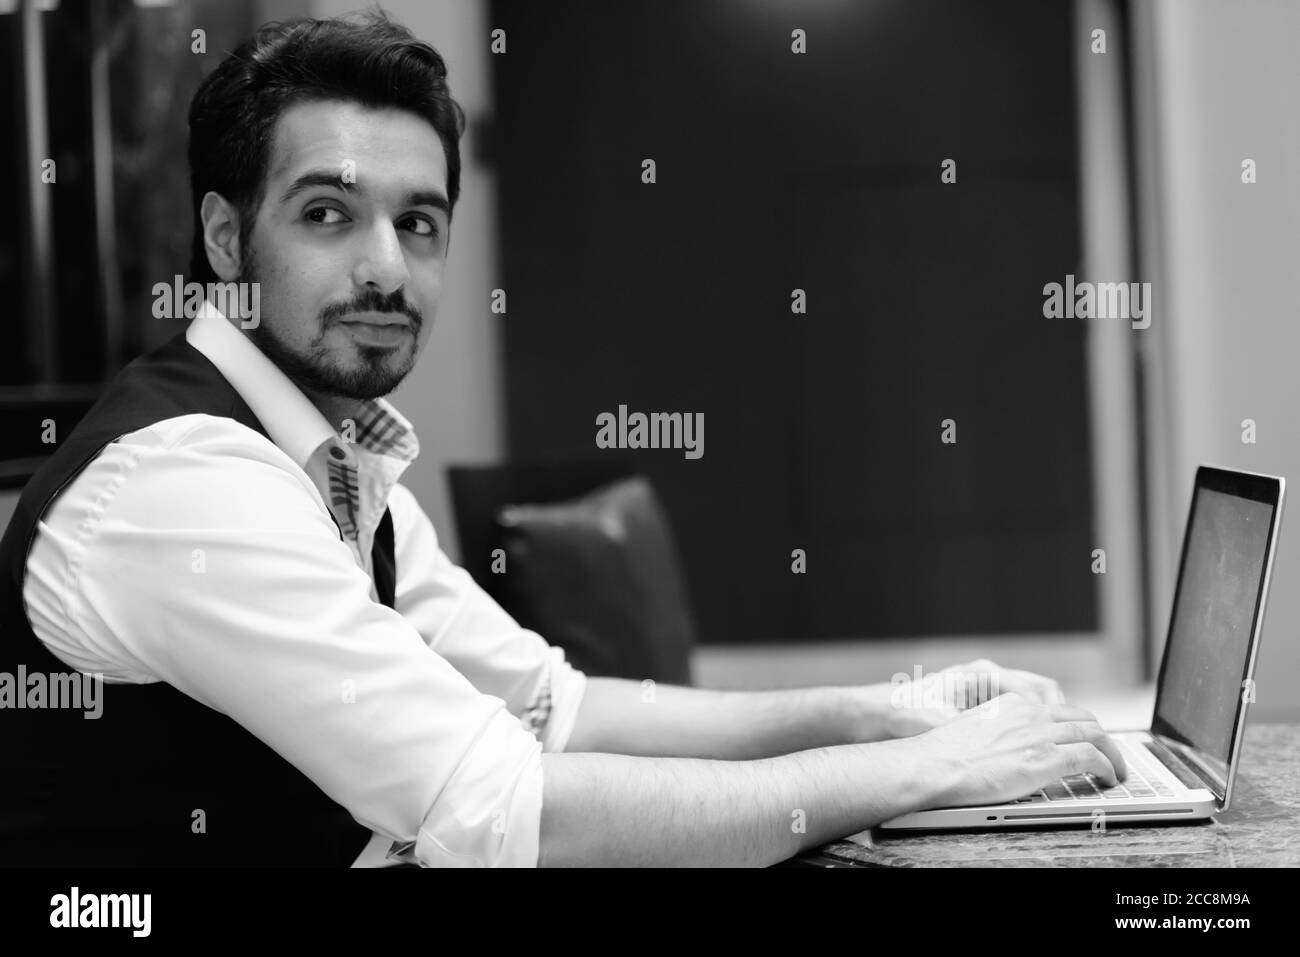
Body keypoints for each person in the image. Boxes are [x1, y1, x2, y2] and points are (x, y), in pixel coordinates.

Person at [0, 11, 1125, 868]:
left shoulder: (338, 466)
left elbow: (554, 706)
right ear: (226, 239)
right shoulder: (185, 481)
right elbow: (502, 807)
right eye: (328, 213)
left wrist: (883, 709)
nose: (389, 267)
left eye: (420, 221)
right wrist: (922, 770)